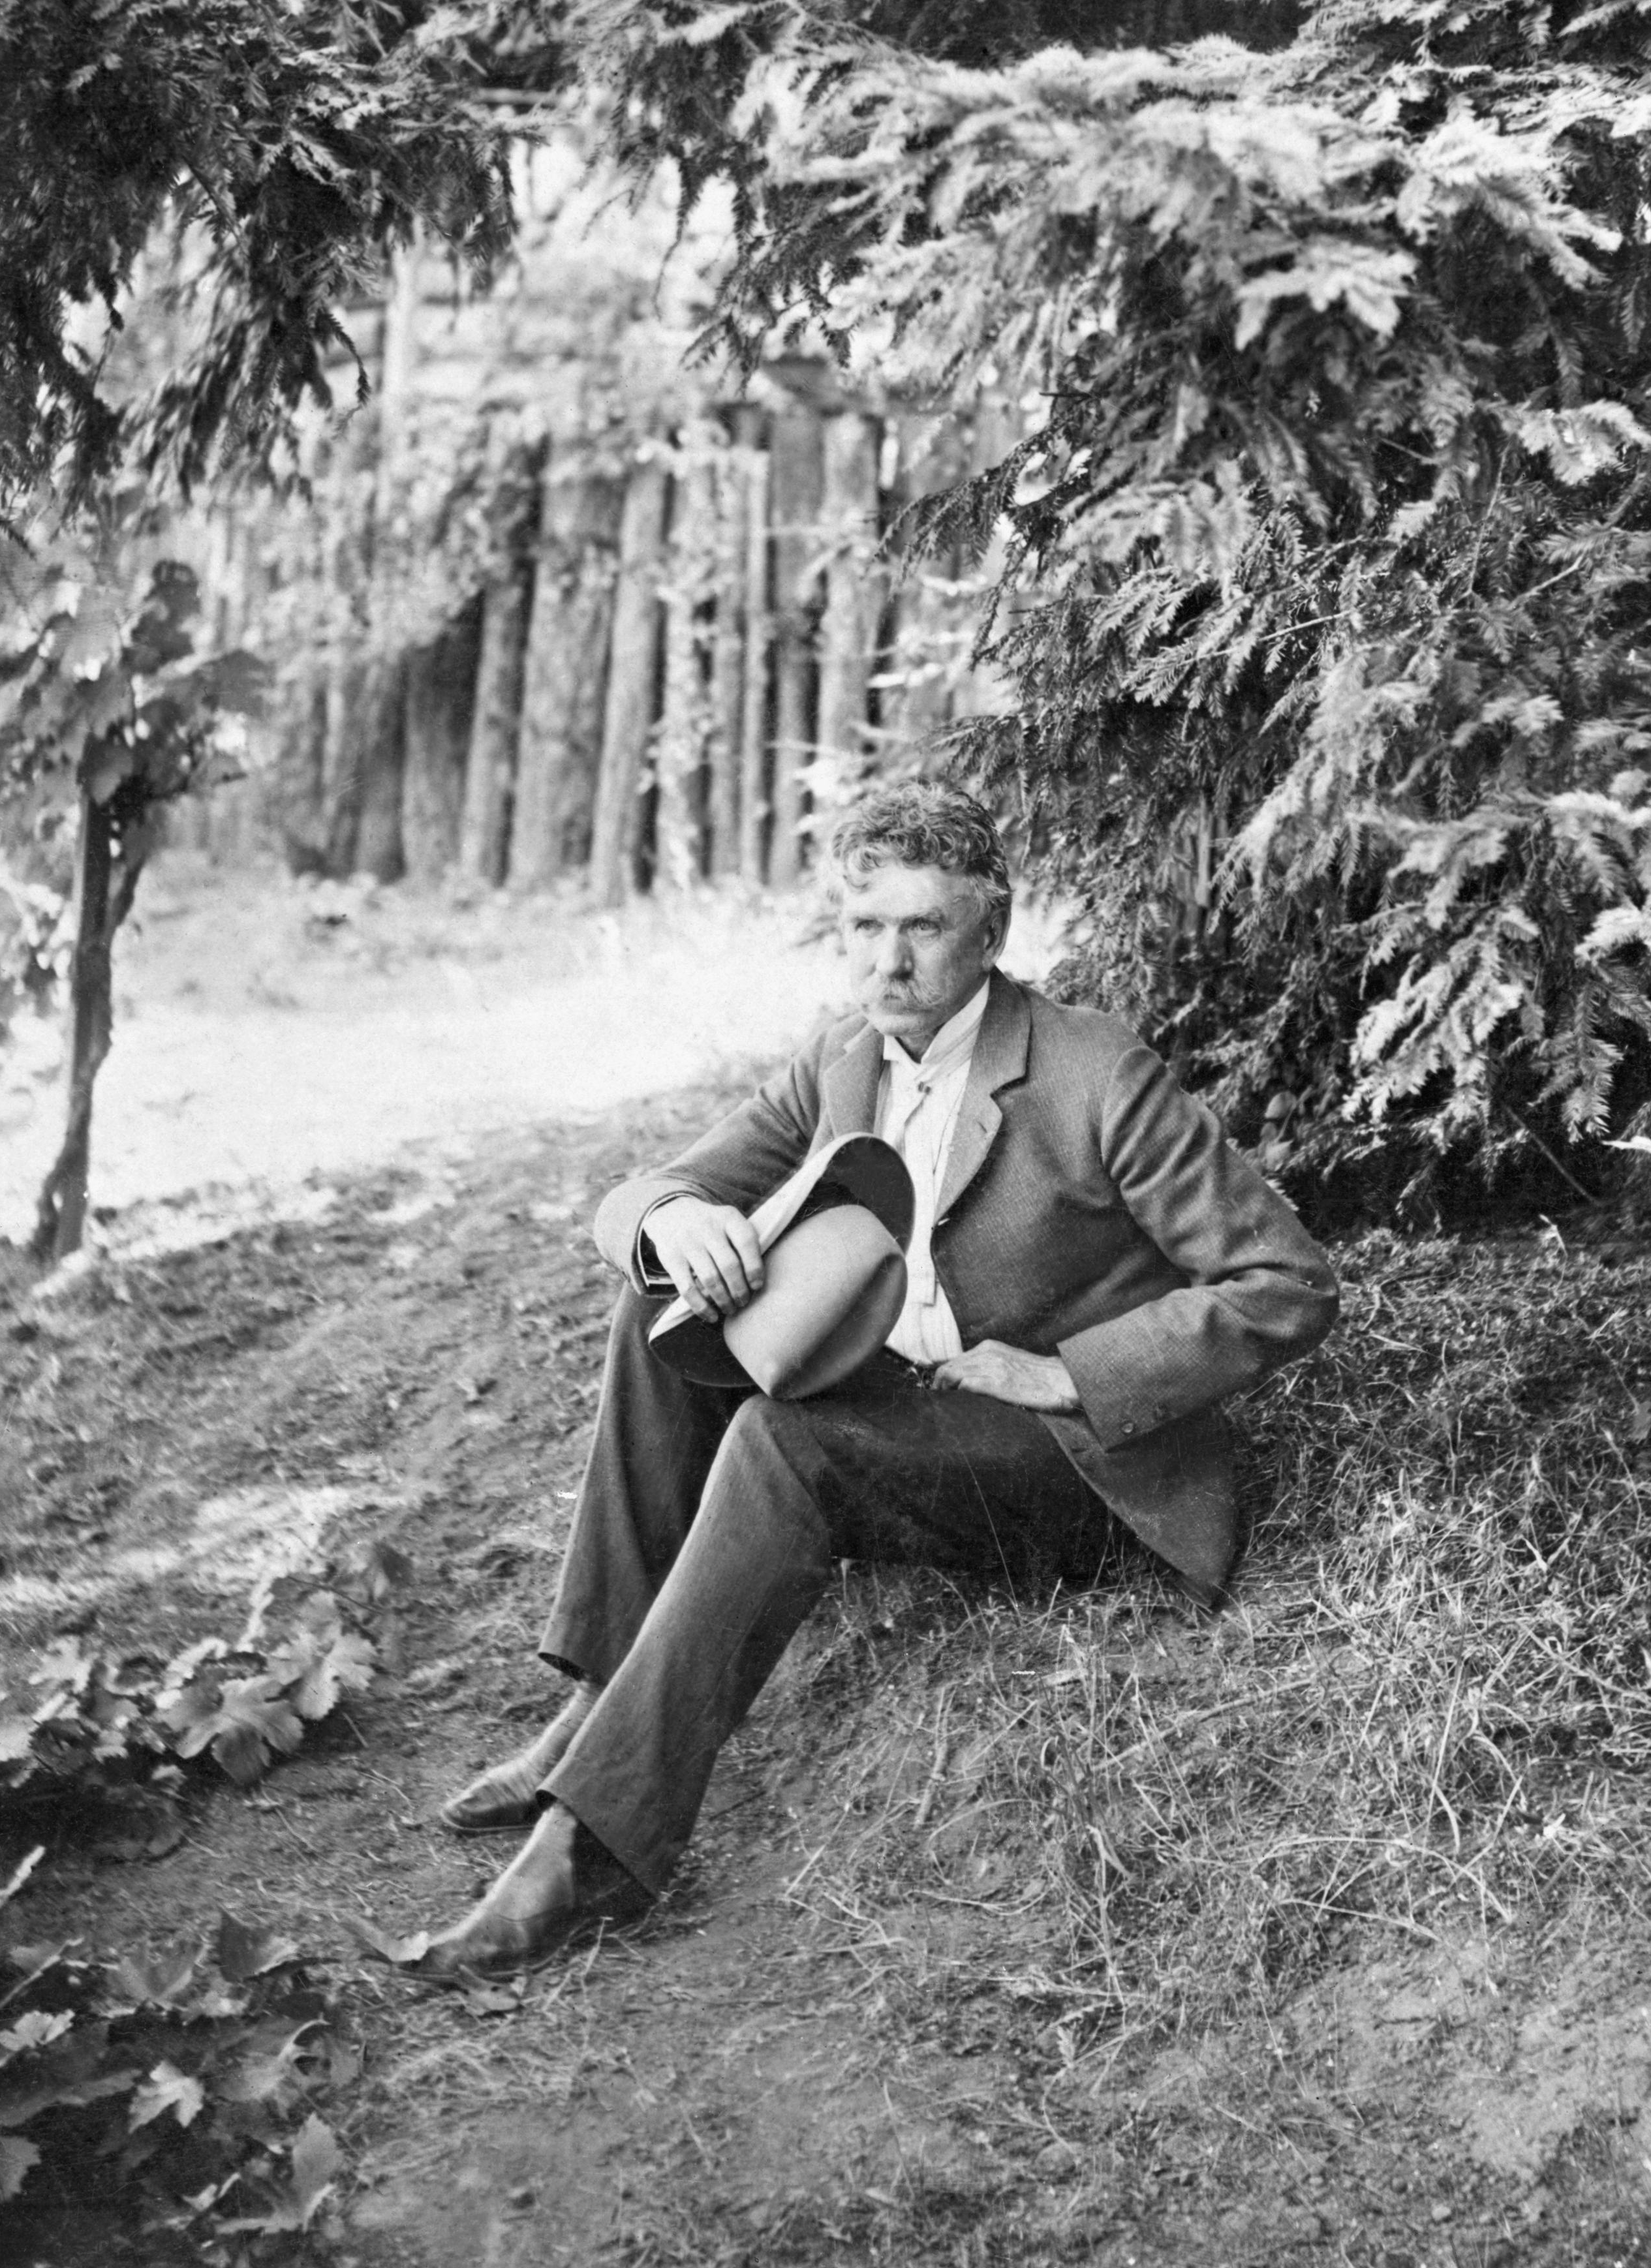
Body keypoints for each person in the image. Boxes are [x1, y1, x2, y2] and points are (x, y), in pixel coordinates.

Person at [416, 784, 1338, 1978]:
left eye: (922, 927)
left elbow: (1289, 1282)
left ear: (991, 929)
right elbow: (641, 1192)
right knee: (652, 1299)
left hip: (1072, 1465)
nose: (887, 962)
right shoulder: (839, 1064)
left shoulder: (1095, 1072)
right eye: (863, 927)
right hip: (911, 1415)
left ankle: (591, 1847)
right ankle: (597, 1700)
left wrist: (1066, 1372)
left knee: (780, 1439)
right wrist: (671, 1223)